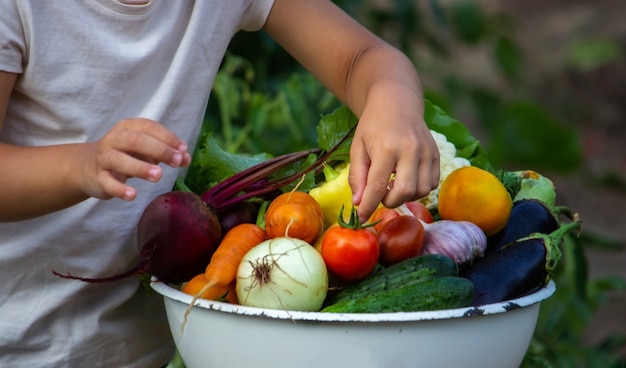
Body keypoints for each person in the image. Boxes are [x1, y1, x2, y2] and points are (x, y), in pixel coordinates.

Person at [0, 0, 440, 366]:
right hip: (17, 339)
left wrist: (394, 106)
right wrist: (82, 165)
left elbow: (362, 59)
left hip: (134, 348)